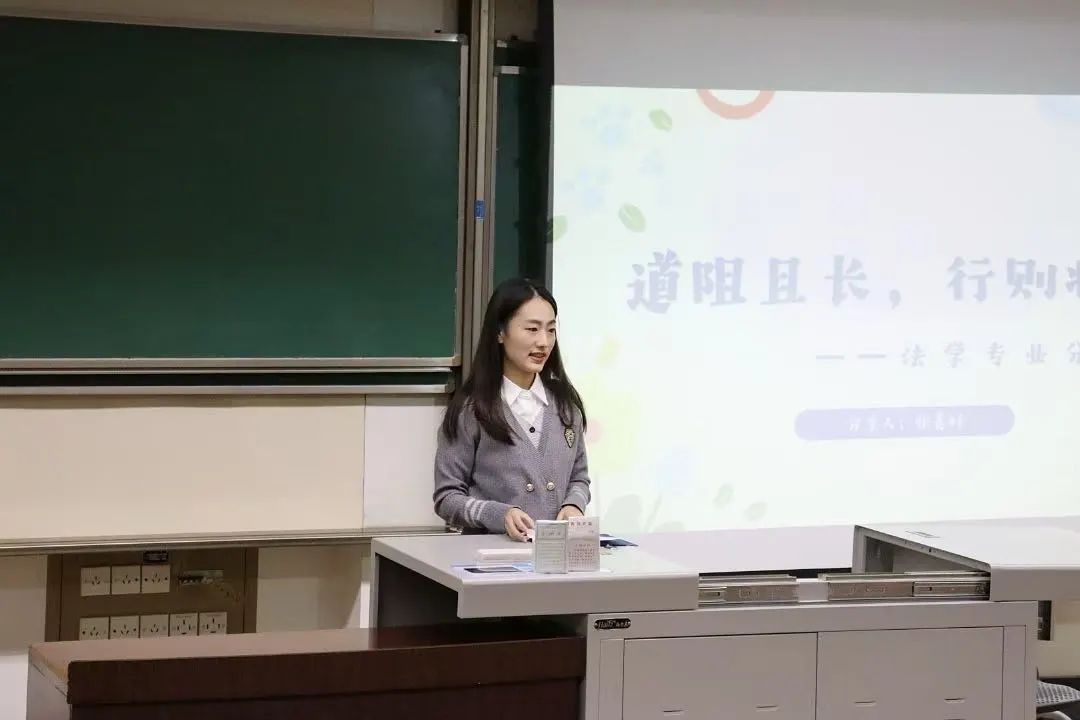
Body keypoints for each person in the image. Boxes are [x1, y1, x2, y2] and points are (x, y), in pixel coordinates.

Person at [433, 277, 591, 540]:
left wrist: (574, 505)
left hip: (555, 555)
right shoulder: (471, 410)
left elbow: (579, 478)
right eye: (532, 329)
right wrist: (499, 514)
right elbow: (447, 498)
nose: (544, 342)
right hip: (490, 557)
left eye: (551, 330)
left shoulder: (565, 405)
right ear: (500, 332)